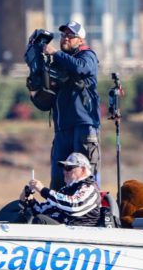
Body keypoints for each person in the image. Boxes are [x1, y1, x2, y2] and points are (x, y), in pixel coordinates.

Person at [41, 21, 101, 191]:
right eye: (63, 35)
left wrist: (56, 53)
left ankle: (90, 214)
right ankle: (57, 212)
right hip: (63, 128)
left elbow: (81, 68)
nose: (65, 38)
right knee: (59, 177)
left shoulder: (87, 55)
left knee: (84, 177)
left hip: (83, 125)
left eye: (70, 35)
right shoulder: (61, 63)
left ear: (80, 40)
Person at [19, 152, 101, 226]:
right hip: (63, 233)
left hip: (78, 236)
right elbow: (41, 210)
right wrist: (29, 199)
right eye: (64, 168)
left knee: (41, 220)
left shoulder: (90, 188)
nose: (64, 172)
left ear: (82, 169)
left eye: (69, 168)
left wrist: (43, 190)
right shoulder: (66, 190)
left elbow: (73, 206)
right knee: (22, 213)